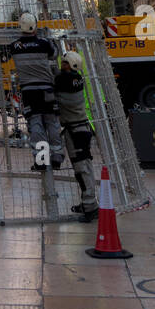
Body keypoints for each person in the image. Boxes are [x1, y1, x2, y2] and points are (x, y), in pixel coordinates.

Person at [8, 13, 64, 171]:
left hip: (29, 91)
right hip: (46, 88)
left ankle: (41, 160)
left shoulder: (15, 46)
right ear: (35, 26)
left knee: (36, 124)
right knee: (52, 122)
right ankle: (57, 156)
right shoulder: (44, 43)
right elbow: (54, 54)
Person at [54, 49, 99, 222]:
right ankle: (88, 203)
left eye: (63, 62)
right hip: (83, 128)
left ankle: (90, 208)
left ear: (68, 65)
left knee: (81, 169)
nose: (61, 64)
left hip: (75, 131)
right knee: (85, 166)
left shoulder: (62, 79)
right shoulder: (78, 78)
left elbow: (54, 81)